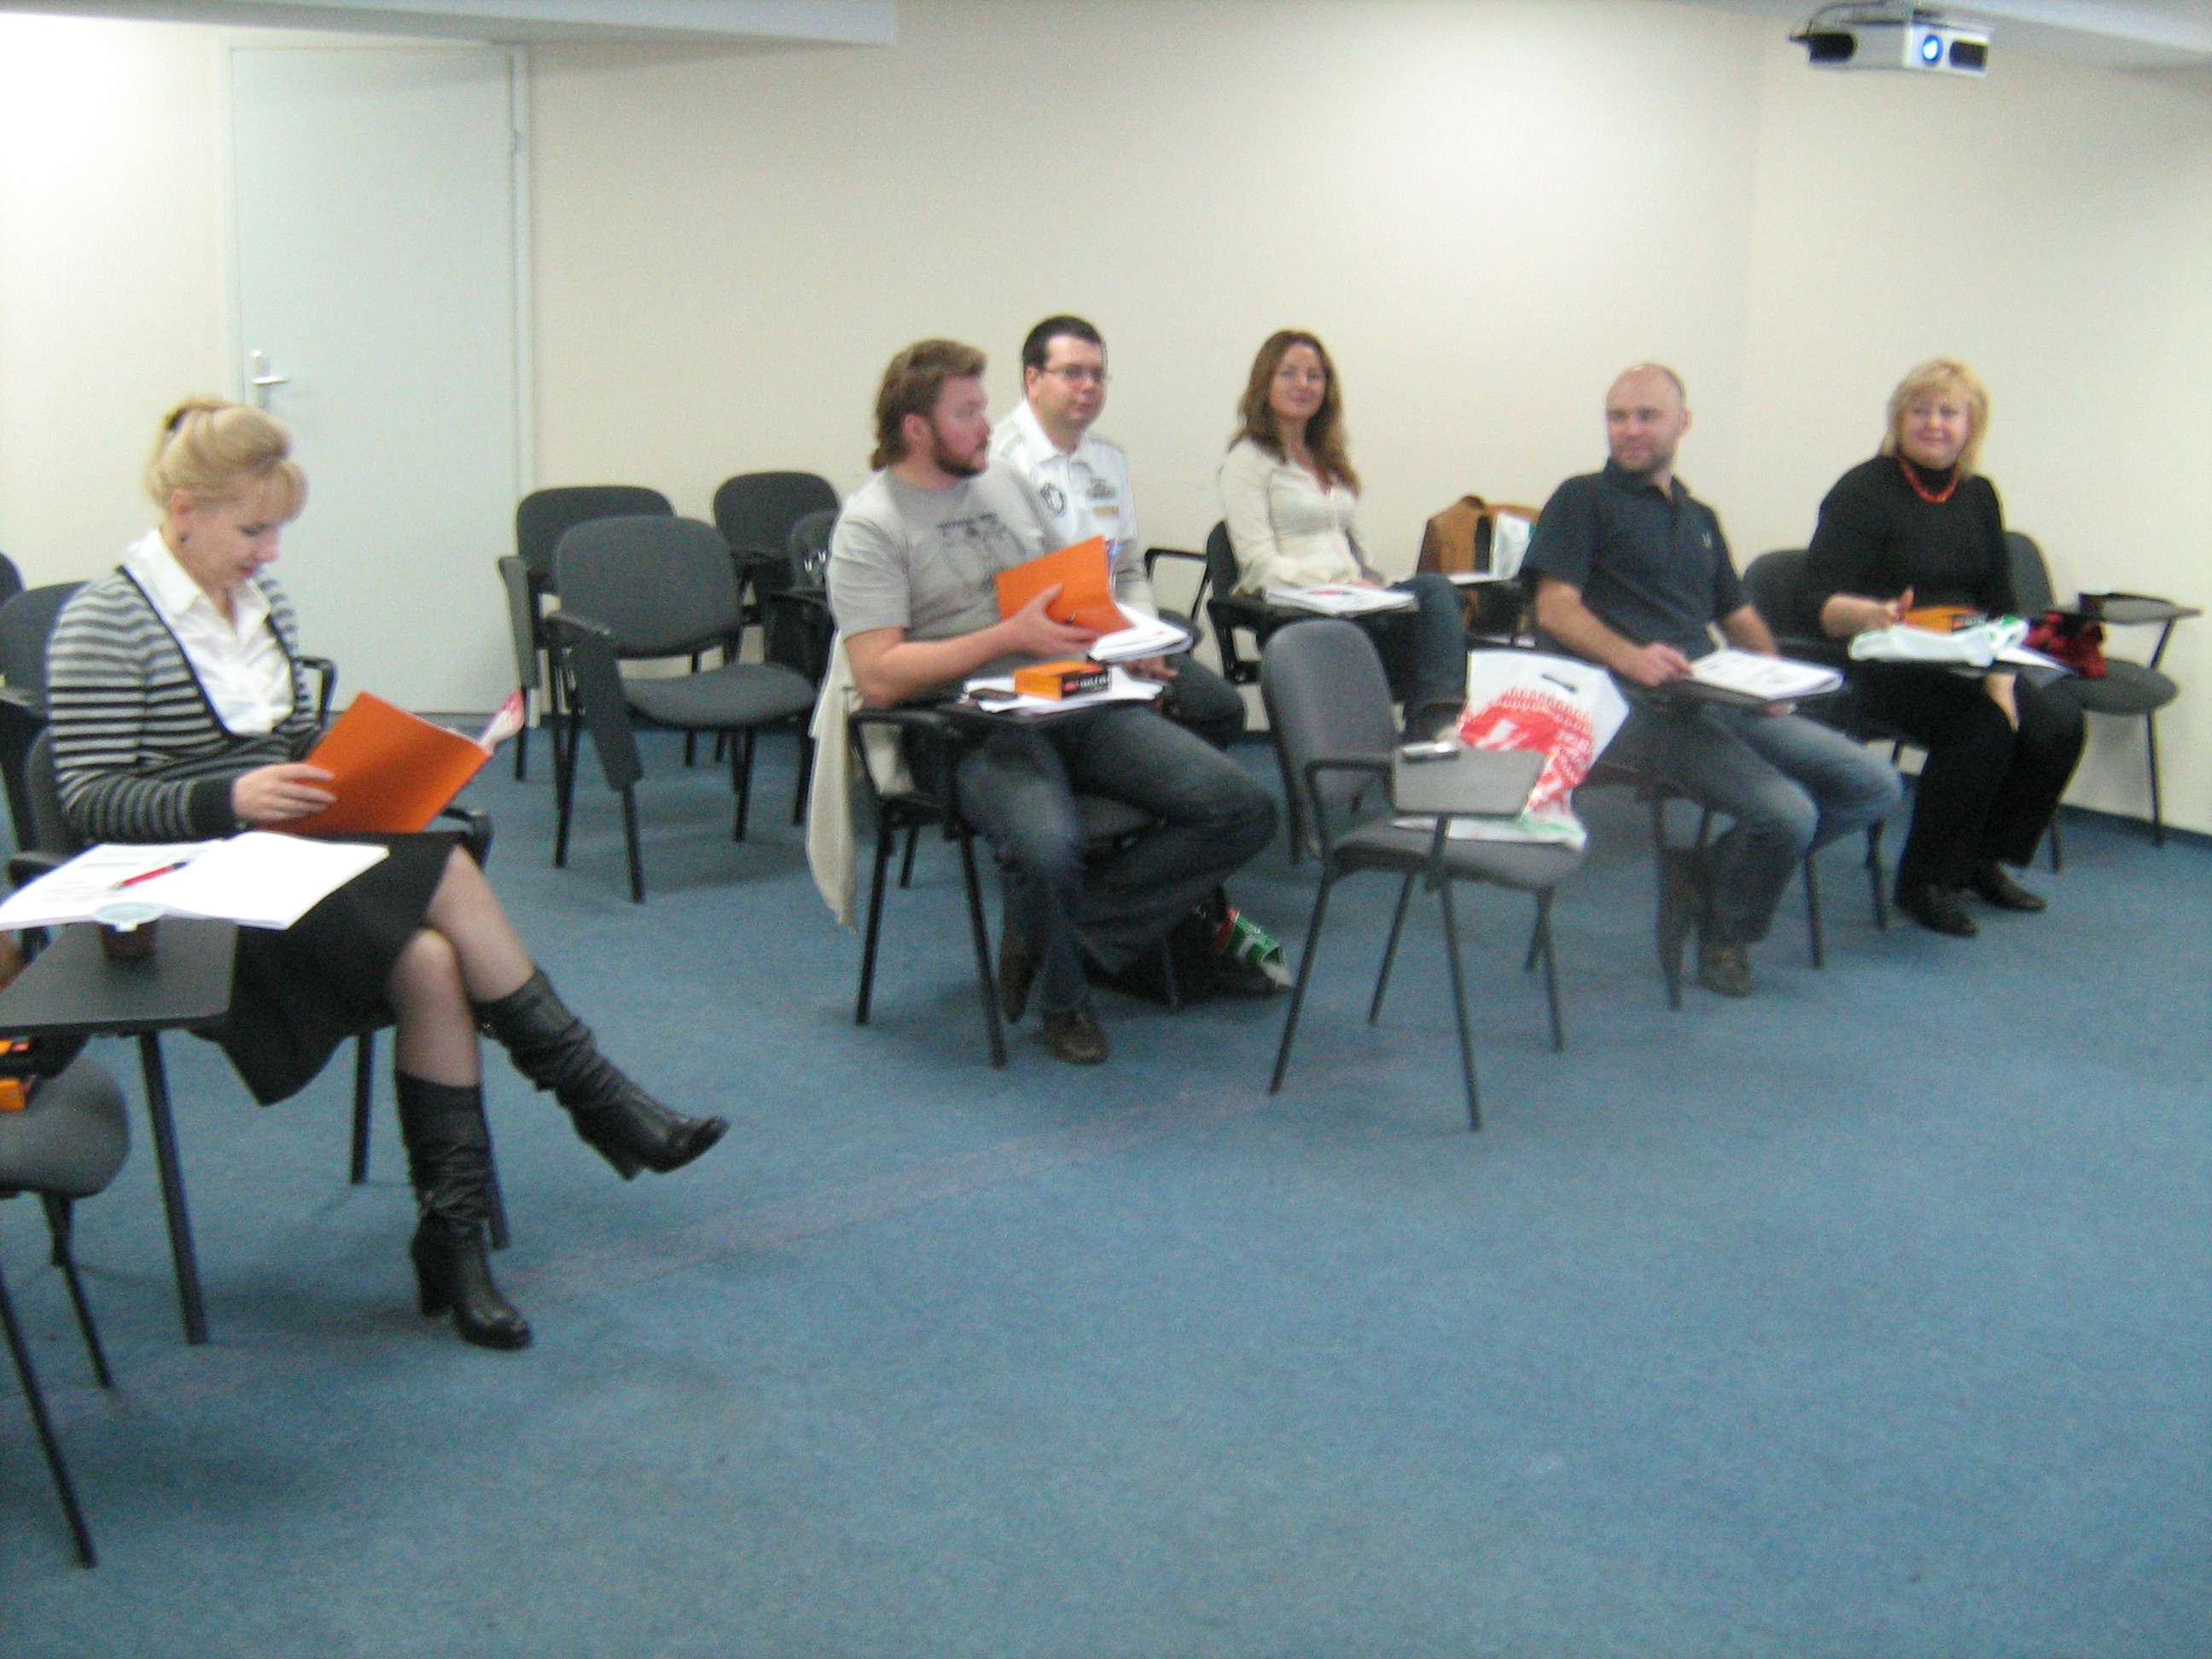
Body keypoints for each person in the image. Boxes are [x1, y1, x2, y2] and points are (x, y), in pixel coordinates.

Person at [45, 399, 727, 1353]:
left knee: (433, 963)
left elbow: (291, 746)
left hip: (274, 863)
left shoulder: (262, 606)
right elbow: (88, 802)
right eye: (252, 531)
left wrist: (370, 769)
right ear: (184, 511)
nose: (269, 554)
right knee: (443, 872)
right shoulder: (105, 621)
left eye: (277, 531)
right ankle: (594, 1095)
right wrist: (227, 798)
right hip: (177, 895)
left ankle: (454, 1238)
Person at [829, 340, 1278, 1065]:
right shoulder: (871, 523)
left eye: (982, 407)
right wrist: (1005, 637)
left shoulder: (1004, 482)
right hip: (960, 724)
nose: (987, 424)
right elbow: (878, 676)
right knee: (1048, 846)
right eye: (967, 412)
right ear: (916, 427)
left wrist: (1125, 641)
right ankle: (1064, 1003)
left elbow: (1065, 593)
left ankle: (1057, 937)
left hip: (1066, 691)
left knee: (1242, 808)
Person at [1524, 364, 1901, 997]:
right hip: (1626, 706)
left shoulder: (1699, 517)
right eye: (1618, 416)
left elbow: (1739, 615)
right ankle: (1728, 929)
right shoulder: (1582, 500)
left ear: (1683, 423)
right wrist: (1631, 657)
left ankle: (1711, 877)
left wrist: (1775, 681)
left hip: (1712, 694)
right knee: (1789, 814)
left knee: (1873, 785)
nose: (1631, 429)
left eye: (1647, 416)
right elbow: (1555, 608)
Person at [1802, 358, 2084, 936]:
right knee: (1982, 729)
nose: (1934, 424)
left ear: (1970, 425)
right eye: (1920, 410)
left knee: (2058, 724)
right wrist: (1871, 614)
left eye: (1948, 413)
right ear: (1898, 419)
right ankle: (1924, 882)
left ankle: (1981, 860)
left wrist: (2001, 678)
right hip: (1885, 658)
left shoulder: (1978, 495)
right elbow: (1817, 601)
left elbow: (2000, 597)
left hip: (1971, 655)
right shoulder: (1863, 490)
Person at [989, 314, 1246, 750]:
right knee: (1135, 720)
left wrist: (1140, 642)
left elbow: (1127, 572)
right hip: (1041, 650)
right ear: (1033, 380)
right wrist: (1103, 653)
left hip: (1113, 638)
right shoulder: (998, 463)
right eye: (1072, 373)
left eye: (1097, 375)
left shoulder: (1108, 459)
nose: (1089, 386)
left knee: (1220, 709)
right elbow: (1000, 595)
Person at [1216, 329, 1467, 737]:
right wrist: (1334, 584)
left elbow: (1356, 553)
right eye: (1289, 373)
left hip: (1355, 601)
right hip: (1299, 610)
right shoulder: (1248, 460)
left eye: (1314, 376)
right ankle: (1423, 737)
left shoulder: (1329, 460)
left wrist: (1373, 586)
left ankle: (1433, 728)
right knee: (1413, 630)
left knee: (1437, 592)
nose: (1303, 384)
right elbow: (1259, 566)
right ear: (1265, 383)